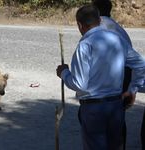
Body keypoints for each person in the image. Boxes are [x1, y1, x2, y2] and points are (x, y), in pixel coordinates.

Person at [56, 4, 145, 150]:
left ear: (80, 25)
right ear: (99, 20)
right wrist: (132, 88)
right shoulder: (117, 39)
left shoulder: (85, 45)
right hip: (115, 107)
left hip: (94, 109)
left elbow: (80, 84)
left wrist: (64, 73)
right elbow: (141, 65)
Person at [92, 0, 145, 149]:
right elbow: (138, 62)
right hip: (124, 74)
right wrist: (133, 87)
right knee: (117, 115)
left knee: (99, 116)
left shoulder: (97, 29)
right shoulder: (119, 29)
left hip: (111, 77)